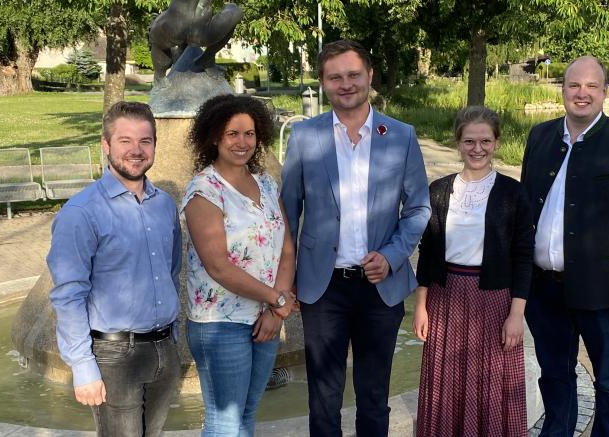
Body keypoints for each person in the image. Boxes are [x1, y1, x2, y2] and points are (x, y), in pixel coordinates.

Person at [280, 39, 431, 437]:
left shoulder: (400, 136)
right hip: (322, 287)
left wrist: (394, 255)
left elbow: (418, 208)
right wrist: (286, 279)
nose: (345, 84)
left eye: (352, 75)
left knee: (374, 397)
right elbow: (286, 211)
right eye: (335, 77)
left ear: (369, 76)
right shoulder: (304, 137)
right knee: (323, 401)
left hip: (379, 286)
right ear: (323, 82)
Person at [520, 56, 609, 437]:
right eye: (573, 85)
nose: (582, 94)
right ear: (562, 90)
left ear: (605, 92)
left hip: (605, 293)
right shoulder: (540, 137)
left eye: (591, 86)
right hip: (543, 289)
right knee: (554, 374)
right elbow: (526, 209)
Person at [48, 101, 183, 437]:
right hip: (114, 356)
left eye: (145, 141)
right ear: (105, 145)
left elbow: (171, 270)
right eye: (125, 141)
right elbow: (68, 295)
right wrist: (82, 367)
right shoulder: (81, 213)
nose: (136, 151)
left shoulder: (165, 205)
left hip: (163, 349)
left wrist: (173, 335)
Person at [180, 94, 297, 436]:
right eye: (232, 133)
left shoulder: (265, 182)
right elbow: (218, 266)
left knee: (246, 416)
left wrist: (276, 310)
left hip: (264, 318)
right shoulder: (204, 190)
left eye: (249, 134)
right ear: (215, 136)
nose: (242, 142)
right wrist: (277, 300)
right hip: (220, 323)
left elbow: (286, 250)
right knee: (225, 422)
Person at [413, 106, 534, 437]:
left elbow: (523, 257)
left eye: (485, 140)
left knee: (491, 383)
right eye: (469, 141)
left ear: (496, 142)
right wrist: (421, 306)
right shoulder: (438, 190)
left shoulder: (513, 193)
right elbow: (427, 251)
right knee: (446, 383)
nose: (477, 148)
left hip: (494, 299)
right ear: (457, 143)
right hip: (445, 298)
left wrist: (516, 314)